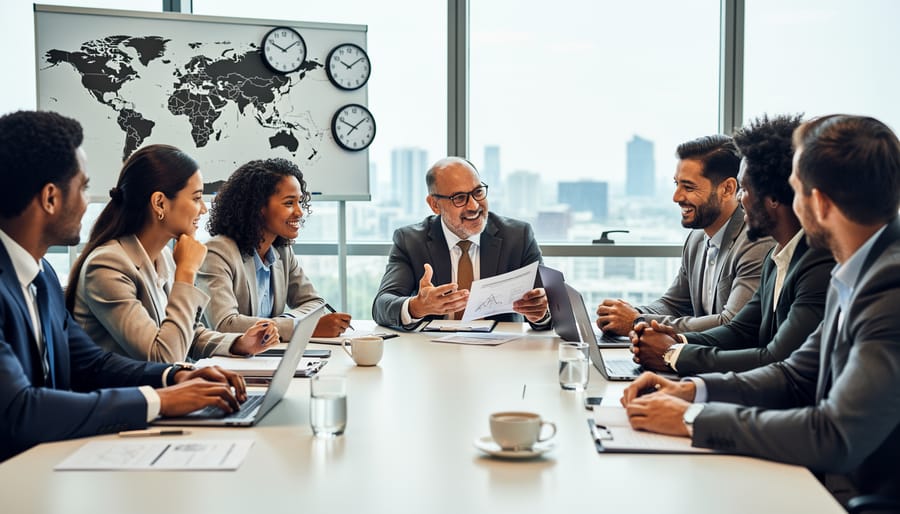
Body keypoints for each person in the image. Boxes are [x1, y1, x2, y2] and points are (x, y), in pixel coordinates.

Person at [621, 114, 900, 504]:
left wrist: (691, 420)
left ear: (816, 202)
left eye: (795, 189)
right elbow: (795, 374)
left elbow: (834, 434)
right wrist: (692, 392)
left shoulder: (888, 287)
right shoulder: (856, 269)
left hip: (859, 493)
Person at [0, 110, 247, 461]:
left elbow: (91, 364)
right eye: (83, 188)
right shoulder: (93, 265)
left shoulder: (42, 278)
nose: (88, 202)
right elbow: (18, 410)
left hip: (51, 460)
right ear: (51, 198)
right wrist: (158, 400)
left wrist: (173, 376)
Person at [632, 114, 834, 375]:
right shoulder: (779, 257)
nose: (741, 200)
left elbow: (778, 359)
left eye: (745, 189)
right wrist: (676, 341)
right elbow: (740, 330)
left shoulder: (816, 263)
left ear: (773, 198)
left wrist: (672, 354)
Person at [66, 144, 278, 362]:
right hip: (127, 394)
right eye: (196, 198)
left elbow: (186, 333)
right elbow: (164, 355)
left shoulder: (163, 257)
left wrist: (239, 343)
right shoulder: (107, 265)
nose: (203, 209)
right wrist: (186, 272)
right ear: (160, 203)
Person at [596, 135, 775, 336]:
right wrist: (626, 314)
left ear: (727, 189)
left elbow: (730, 323)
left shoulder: (755, 242)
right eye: (676, 184)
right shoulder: (697, 239)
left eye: (688, 187)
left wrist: (636, 321)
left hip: (730, 364)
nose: (677, 197)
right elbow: (673, 304)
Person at [372, 157, 550, 330]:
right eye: (459, 198)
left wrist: (541, 313)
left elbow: (552, 306)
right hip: (434, 351)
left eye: (478, 192)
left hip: (502, 351)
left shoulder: (518, 237)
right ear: (434, 204)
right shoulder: (410, 242)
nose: (473, 206)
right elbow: (382, 305)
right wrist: (417, 307)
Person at [198, 158, 350, 340]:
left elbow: (314, 303)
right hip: (224, 363)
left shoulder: (282, 251)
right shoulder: (218, 253)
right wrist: (300, 328)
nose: (300, 212)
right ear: (259, 207)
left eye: (300, 202)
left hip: (266, 359)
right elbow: (225, 325)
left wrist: (285, 322)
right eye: (289, 203)